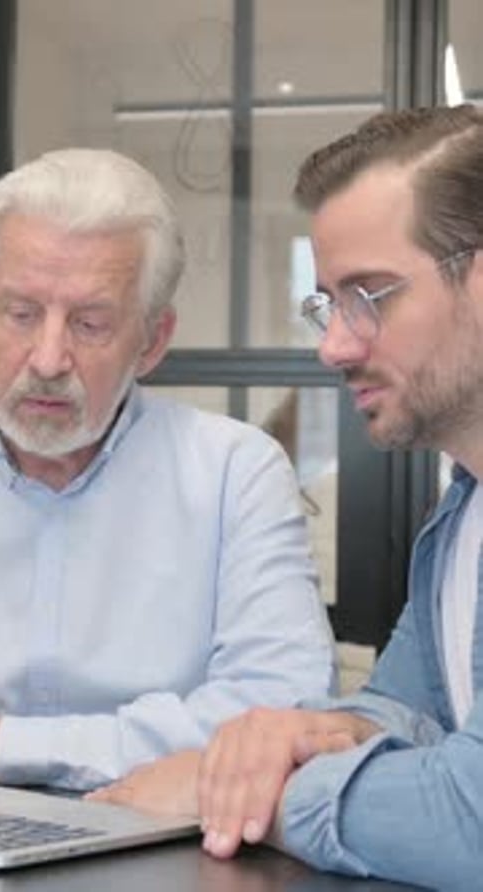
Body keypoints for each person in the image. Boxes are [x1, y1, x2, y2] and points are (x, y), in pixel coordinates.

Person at [146, 103, 483, 890]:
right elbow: (407, 709)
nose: (334, 344)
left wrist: (224, 791)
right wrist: (300, 732)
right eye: (327, 304)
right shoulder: (459, 518)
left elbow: (471, 820)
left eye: (372, 295)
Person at [0, 148, 336, 795]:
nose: (49, 357)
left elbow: (282, 706)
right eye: (21, 314)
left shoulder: (234, 472)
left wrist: (4, 745)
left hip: (162, 843)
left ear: (152, 340)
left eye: (90, 323)